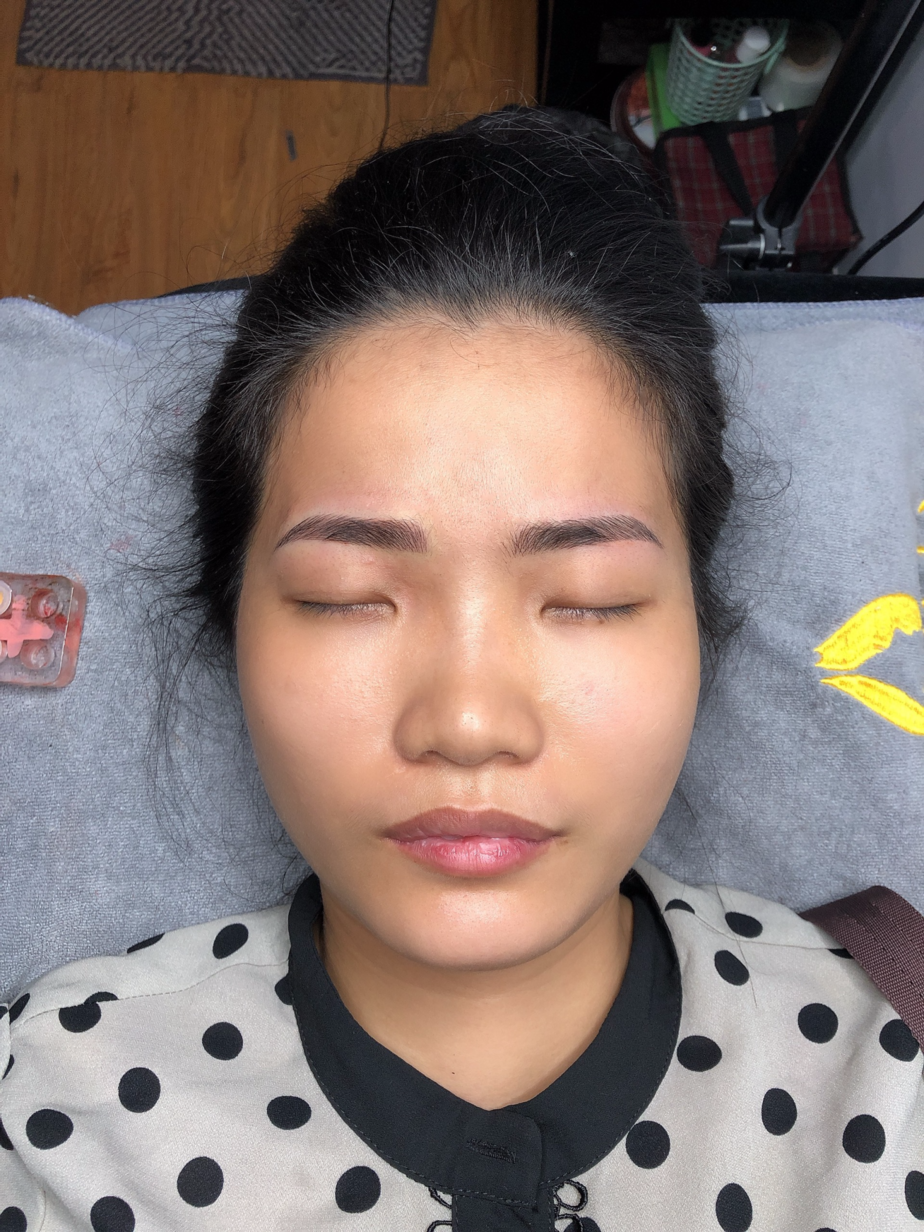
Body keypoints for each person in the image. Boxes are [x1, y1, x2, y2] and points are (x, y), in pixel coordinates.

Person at [1, 108, 921, 1232]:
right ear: (231, 621)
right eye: (346, 595)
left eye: (590, 598)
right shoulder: (47, 1113)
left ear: (700, 625)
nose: (471, 720)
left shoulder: (894, 1058)